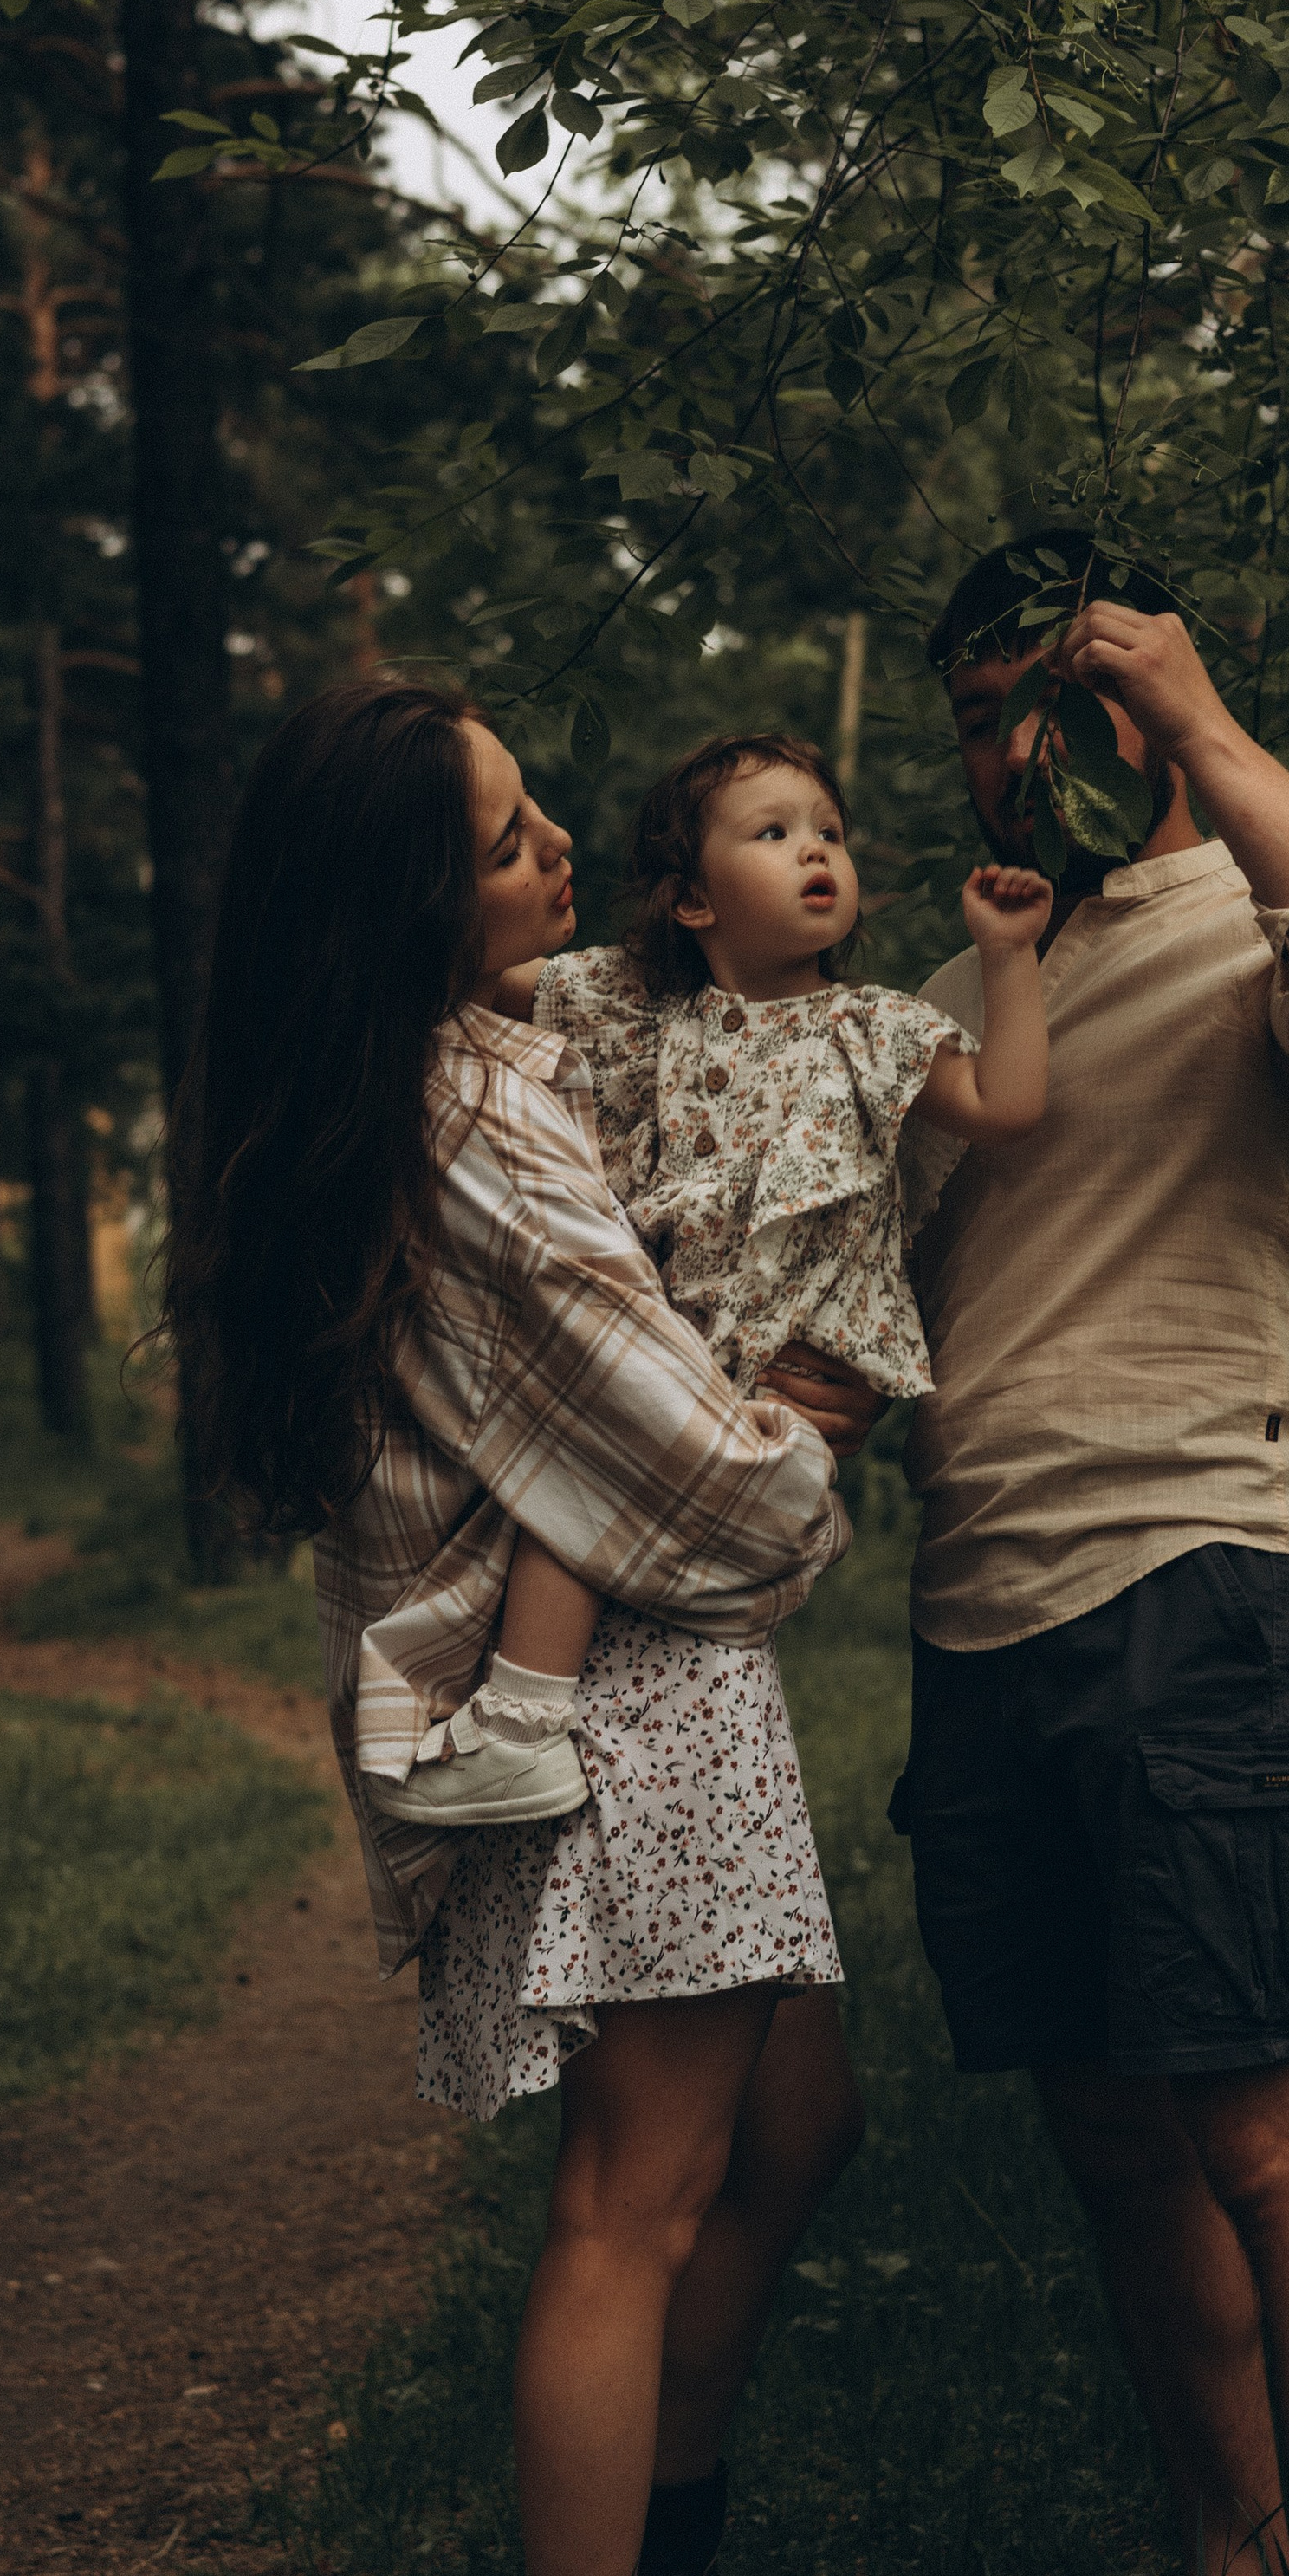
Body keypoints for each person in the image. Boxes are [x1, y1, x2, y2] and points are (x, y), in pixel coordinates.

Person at [174, 675, 885, 2576]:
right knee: (630, 2198)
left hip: (645, 1689)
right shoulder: (466, 1120)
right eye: (500, 841)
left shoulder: (480, 1064)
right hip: (624, 1715)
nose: (556, 846)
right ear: (409, 903)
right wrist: (809, 1438)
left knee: (791, 2118)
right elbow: (686, 1453)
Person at [892, 532, 1289, 2576]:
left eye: (1044, 699)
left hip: (1211, 1580)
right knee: (1109, 2134)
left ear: (1134, 698)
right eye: (970, 719)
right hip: (984, 1609)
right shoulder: (965, 987)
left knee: (1266, 2129)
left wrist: (1209, 718)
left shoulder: (1276, 904)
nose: (1002, 756)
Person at [379, 726, 1052, 1826]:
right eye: (773, 833)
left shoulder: (872, 1028)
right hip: (679, 1345)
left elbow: (1009, 1106)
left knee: (578, 1501)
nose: (813, 851)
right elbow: (480, 985)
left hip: (781, 1364)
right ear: (692, 900)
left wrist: (1009, 954)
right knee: (566, 1497)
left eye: (826, 831)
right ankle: (529, 1714)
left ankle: (521, 1719)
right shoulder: (639, 1005)